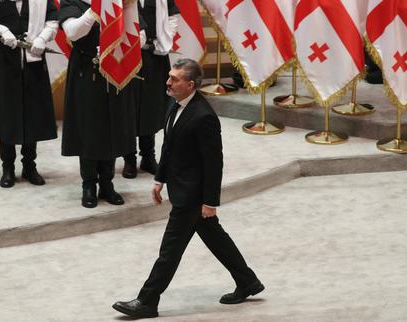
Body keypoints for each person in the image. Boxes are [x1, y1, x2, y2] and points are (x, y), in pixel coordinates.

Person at [112, 59, 264, 318]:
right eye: (169, 77)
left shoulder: (204, 117)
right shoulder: (175, 103)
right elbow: (169, 146)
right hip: (180, 187)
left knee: (169, 251)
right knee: (216, 239)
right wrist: (160, 179)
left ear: (190, 84)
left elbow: (214, 164)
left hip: (192, 196)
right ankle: (248, 281)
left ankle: (147, 301)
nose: (168, 82)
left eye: (174, 79)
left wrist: (210, 202)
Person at [58, 0, 137, 208]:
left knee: (111, 126)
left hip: (115, 68)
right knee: (89, 128)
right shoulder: (73, 2)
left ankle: (107, 183)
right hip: (86, 69)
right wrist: (96, 9)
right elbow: (72, 32)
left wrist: (120, 48)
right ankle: (89, 184)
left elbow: (138, 30)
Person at [0, 0, 58, 188]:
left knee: (33, 114)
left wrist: (42, 38)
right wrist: (1, 30)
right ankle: (8, 168)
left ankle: (29, 166)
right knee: (6, 114)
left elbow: (53, 20)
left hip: (33, 61)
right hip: (4, 62)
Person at [122, 0, 179, 179]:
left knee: (151, 106)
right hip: (128, 55)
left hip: (156, 56)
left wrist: (166, 36)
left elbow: (172, 16)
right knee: (129, 107)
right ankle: (129, 160)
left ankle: (148, 157)